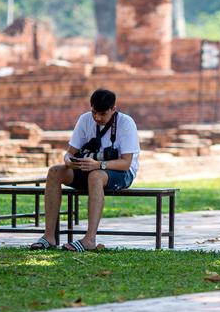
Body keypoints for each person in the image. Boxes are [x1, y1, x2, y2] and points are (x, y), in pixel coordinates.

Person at [30, 88, 140, 252]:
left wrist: (98, 164)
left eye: (102, 114)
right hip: (89, 169)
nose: (97, 118)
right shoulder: (85, 120)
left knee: (95, 176)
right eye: (94, 113)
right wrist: (69, 162)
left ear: (113, 109)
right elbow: (69, 153)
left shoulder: (126, 123)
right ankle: (49, 236)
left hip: (121, 173)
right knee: (54, 171)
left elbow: (126, 163)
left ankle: (89, 239)